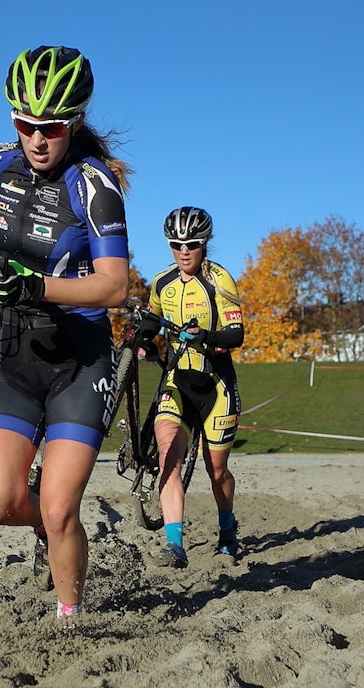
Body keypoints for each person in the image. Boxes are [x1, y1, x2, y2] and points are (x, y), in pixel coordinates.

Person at [0, 45, 132, 621]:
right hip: (14, 354)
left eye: (52, 127)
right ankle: (47, 528)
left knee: (63, 509)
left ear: (76, 122)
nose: (37, 139)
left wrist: (35, 285)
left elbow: (116, 287)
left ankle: (70, 616)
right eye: (25, 125)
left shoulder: (95, 186)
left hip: (80, 362)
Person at [142, 207, 245, 568]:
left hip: (216, 386)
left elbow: (237, 334)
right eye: (176, 244)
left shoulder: (220, 280)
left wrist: (207, 336)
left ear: (205, 244)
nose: (184, 251)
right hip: (177, 382)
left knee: (216, 471)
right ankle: (175, 545)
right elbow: (153, 321)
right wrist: (143, 339)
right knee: (168, 455)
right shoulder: (161, 282)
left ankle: (227, 526)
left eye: (192, 244)